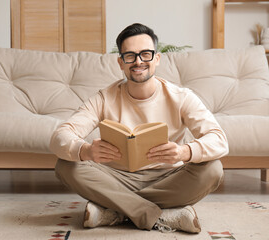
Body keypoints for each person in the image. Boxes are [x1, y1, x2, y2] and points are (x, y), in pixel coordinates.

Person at [50, 23, 229, 234]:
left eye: (145, 54)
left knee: (213, 169)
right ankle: (160, 215)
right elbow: (59, 137)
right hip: (116, 177)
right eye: (130, 56)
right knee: (66, 165)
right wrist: (86, 150)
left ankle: (115, 210)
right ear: (120, 62)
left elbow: (219, 139)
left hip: (167, 178)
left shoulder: (182, 97)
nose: (138, 62)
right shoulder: (104, 97)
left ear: (157, 59)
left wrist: (184, 151)